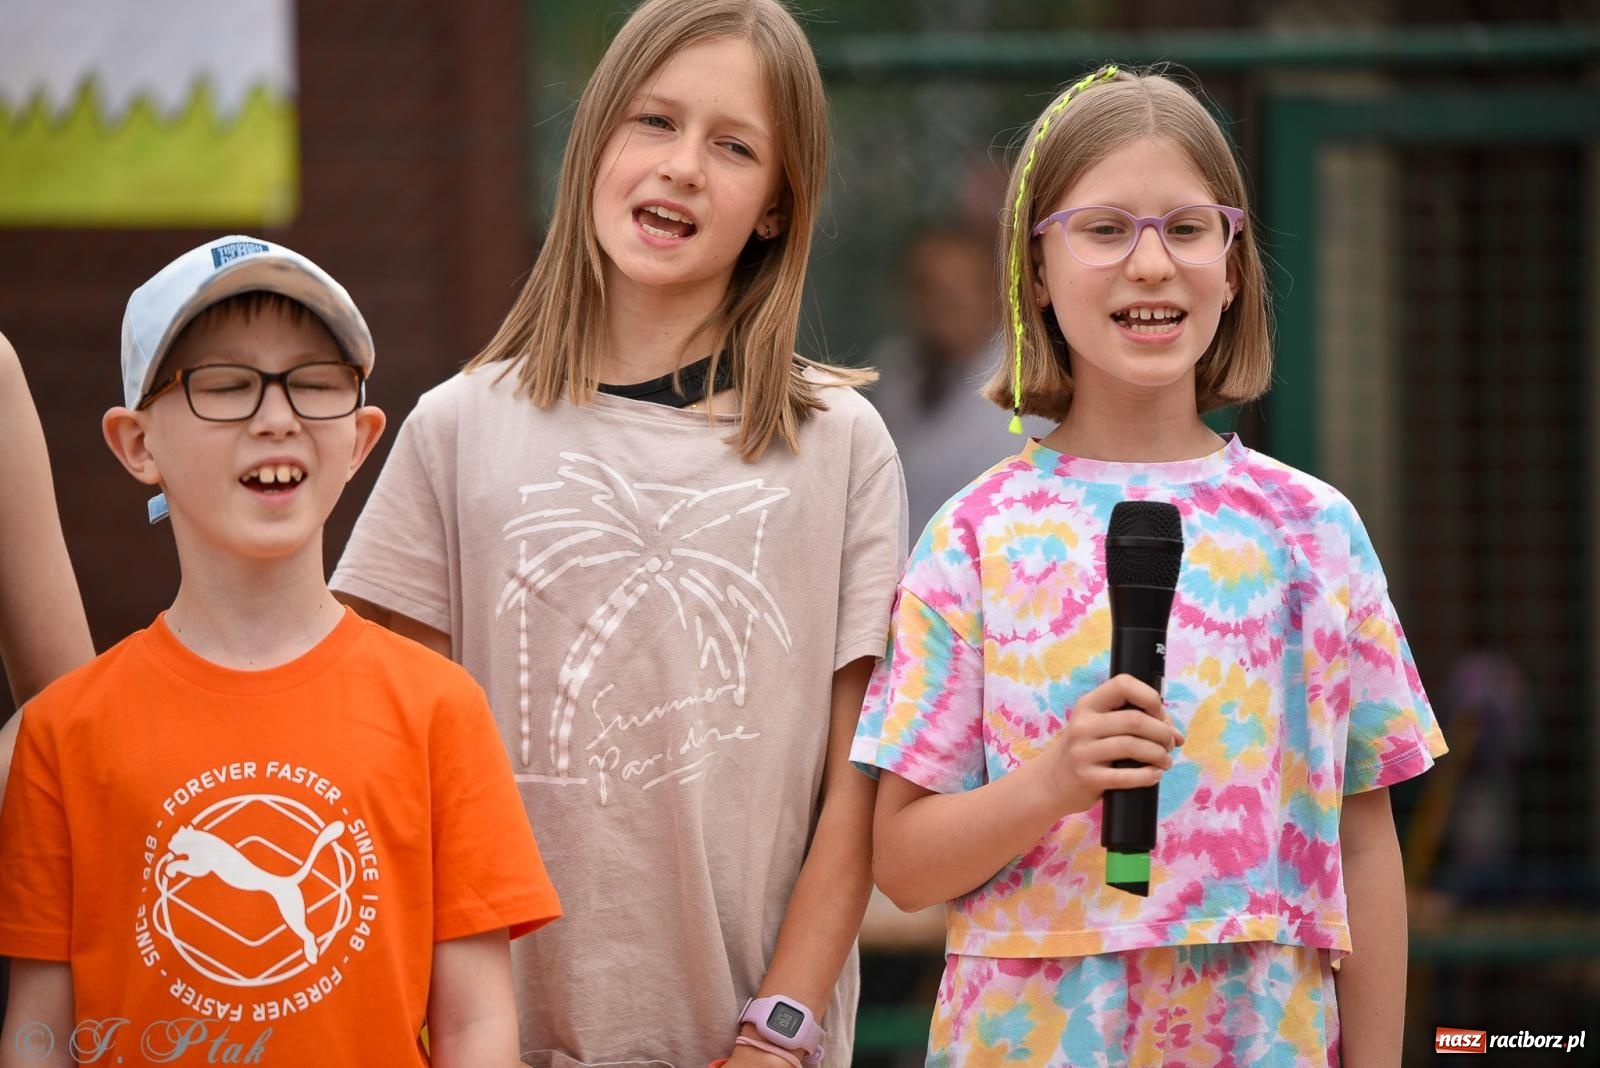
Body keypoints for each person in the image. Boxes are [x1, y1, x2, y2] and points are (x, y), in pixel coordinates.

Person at [329, 2, 907, 1065]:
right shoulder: (456, 429)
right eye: (654, 122)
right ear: (596, 141)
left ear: (776, 207)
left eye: (732, 146)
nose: (682, 165)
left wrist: (777, 1032)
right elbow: (393, 780)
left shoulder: (842, 448)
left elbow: (859, 785)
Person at [852, 67, 1446, 1066]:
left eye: (1184, 227)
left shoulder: (1315, 532)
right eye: (1102, 229)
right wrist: (1049, 782)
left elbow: (1363, 841)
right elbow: (903, 863)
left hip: (1265, 1037)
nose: (1149, 264)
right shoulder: (974, 535)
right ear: (1033, 269)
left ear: (1231, 263)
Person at [0, 235, 561, 1067]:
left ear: (363, 436)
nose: (276, 416)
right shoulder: (62, 732)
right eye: (224, 386)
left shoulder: (440, 710)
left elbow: (476, 1026)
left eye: (314, 385)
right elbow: (39, 1032)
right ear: (136, 444)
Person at [867, 227, 1050, 536]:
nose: (944, 302)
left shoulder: (1033, 383)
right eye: (928, 287)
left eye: (963, 286)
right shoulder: (897, 371)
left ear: (998, 293)